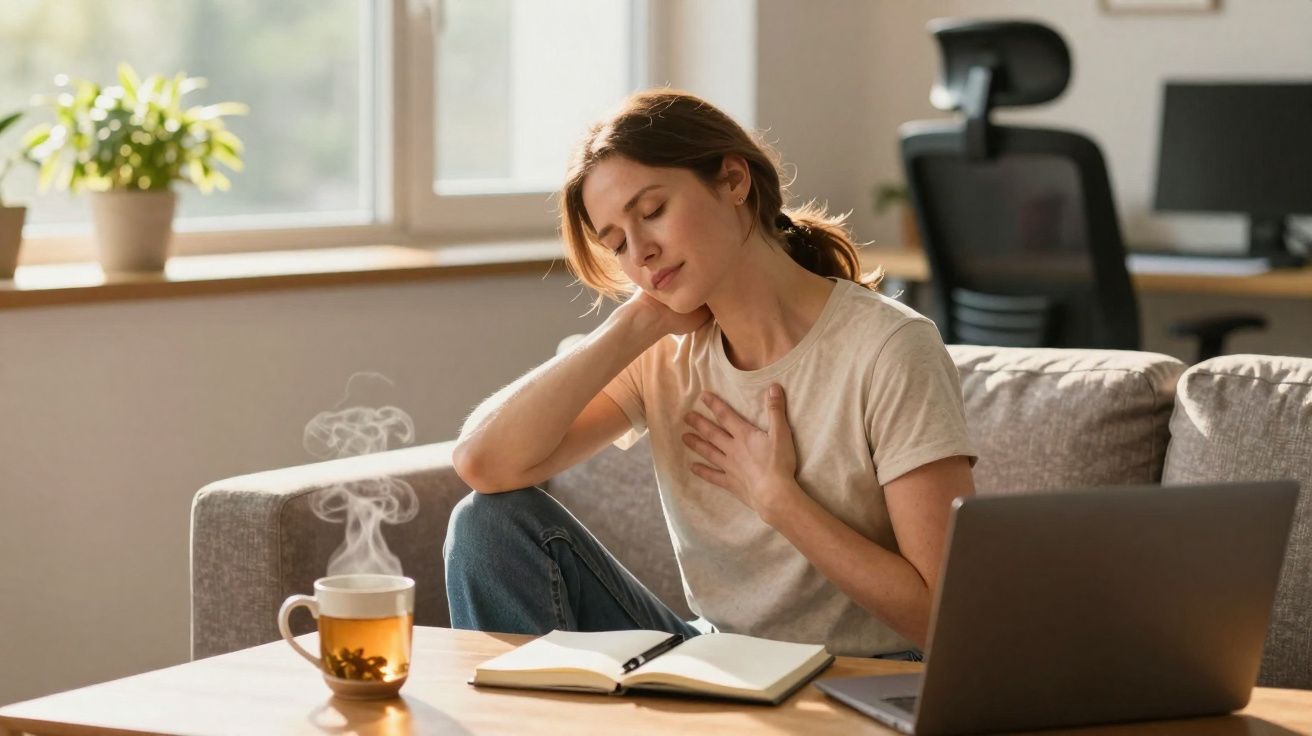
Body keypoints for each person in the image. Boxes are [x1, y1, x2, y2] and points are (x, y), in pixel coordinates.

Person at [444, 89, 976, 660]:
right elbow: (484, 464)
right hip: (723, 663)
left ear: (732, 181)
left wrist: (780, 501)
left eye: (652, 212)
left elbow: (948, 622)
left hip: (865, 673)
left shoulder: (889, 348)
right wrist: (634, 325)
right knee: (488, 527)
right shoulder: (660, 351)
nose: (641, 252)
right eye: (617, 243)